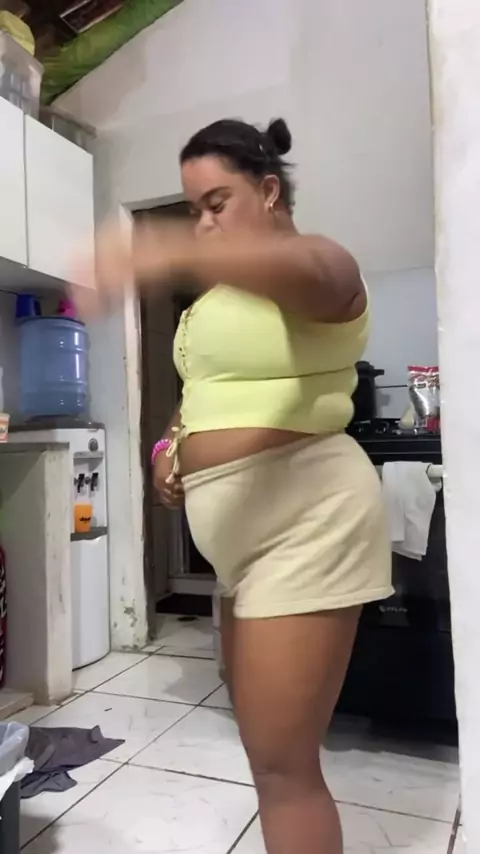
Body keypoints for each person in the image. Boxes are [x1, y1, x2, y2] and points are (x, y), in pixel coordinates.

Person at [75, 117, 393, 854]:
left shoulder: (321, 260)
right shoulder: (219, 300)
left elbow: (316, 281)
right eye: (193, 211)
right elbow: (203, 394)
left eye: (216, 204)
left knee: (286, 769)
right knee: (265, 759)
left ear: (270, 190)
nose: (204, 224)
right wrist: (167, 449)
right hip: (239, 548)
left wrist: (160, 249)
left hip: (305, 523)